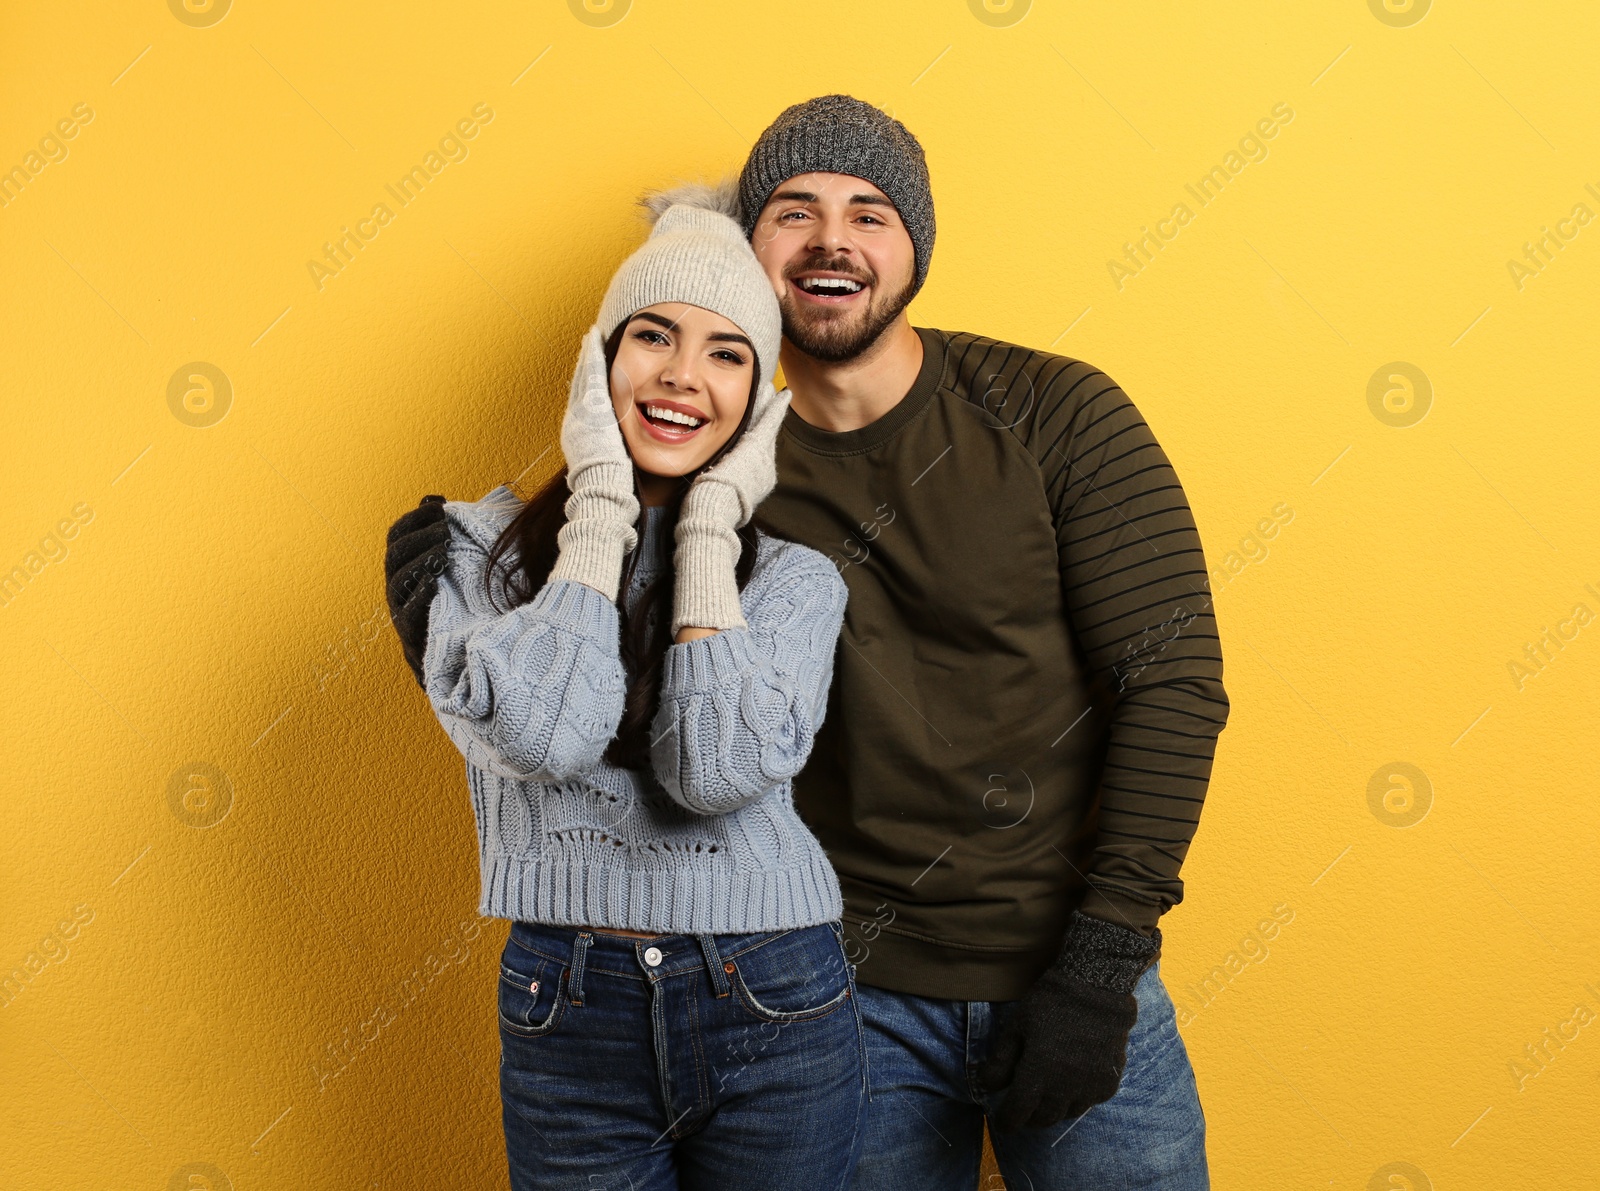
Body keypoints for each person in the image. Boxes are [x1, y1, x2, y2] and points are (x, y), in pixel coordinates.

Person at [726, 95, 1231, 1188]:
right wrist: (459, 581)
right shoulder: (723, 468)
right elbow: (598, 673)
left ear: (913, 248)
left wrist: (1100, 966)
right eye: (792, 211)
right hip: (829, 995)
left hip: (1074, 969)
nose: (830, 241)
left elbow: (1173, 684)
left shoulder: (1056, 412)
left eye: (869, 214)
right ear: (747, 248)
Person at [382, 183, 863, 1191]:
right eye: (652, 336)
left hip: (776, 991)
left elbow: (714, 771)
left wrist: (704, 527)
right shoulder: (464, 547)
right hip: (569, 1001)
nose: (683, 376)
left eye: (727, 353)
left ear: (758, 399)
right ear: (598, 361)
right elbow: (543, 737)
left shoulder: (794, 581)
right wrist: (602, 497)